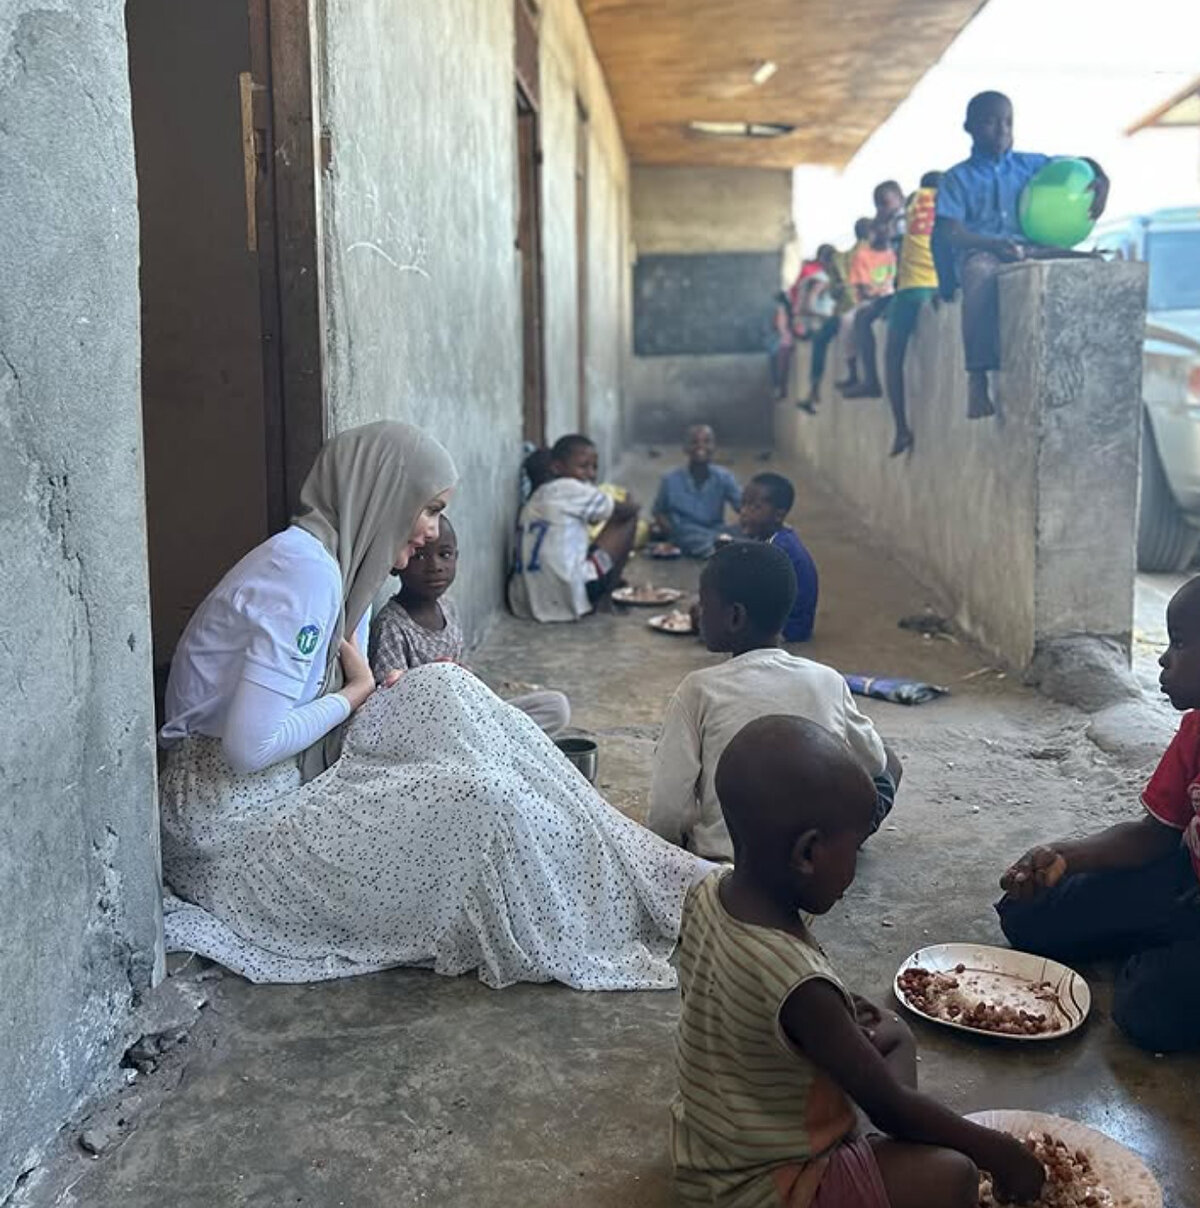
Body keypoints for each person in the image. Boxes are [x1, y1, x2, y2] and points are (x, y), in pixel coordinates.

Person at [160, 421, 708, 990]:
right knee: (481, 796)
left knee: (447, 688)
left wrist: (379, 693)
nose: (429, 532)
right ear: (383, 493)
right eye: (429, 509)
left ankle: (651, 871)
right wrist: (355, 695)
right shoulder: (302, 572)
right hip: (231, 835)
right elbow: (249, 749)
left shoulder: (341, 568)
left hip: (287, 783)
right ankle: (631, 893)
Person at [670, 715, 1045, 1208]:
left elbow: (732, 991)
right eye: (854, 844)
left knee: (892, 1033)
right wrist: (1000, 1153)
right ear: (808, 853)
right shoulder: (801, 986)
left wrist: (834, 1014)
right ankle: (869, 1167)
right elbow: (891, 1108)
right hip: (766, 1188)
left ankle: (872, 1159)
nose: (856, 861)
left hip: (713, 1146)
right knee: (954, 1174)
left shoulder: (706, 889)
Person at [997, 575, 1200, 1053]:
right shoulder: (1195, 730)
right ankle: (1160, 943)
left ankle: (1160, 950)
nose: (1163, 659)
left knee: (1147, 1007)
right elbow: (1154, 833)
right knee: (1027, 914)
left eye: (1179, 643)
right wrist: (1066, 856)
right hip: (1185, 881)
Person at [648, 542, 899, 864]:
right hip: (810, 865)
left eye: (704, 603)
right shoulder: (828, 680)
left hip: (726, 865)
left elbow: (666, 813)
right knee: (890, 763)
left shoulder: (697, 690)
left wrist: (677, 854)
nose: (697, 611)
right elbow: (875, 763)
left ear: (735, 616)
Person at [935, 90, 1109, 419]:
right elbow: (951, 231)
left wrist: (1102, 179)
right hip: (983, 251)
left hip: (1031, 246)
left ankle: (1089, 373)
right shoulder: (957, 178)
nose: (1001, 130)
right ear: (969, 127)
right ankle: (977, 376)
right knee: (978, 274)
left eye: (1008, 122)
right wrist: (991, 244)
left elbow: (1080, 165)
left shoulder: (1032, 165)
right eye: (990, 122)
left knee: (1091, 264)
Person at [370, 514, 570, 735]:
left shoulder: (448, 606)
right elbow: (390, 706)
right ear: (397, 563)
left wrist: (466, 677)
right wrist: (433, 679)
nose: (435, 566)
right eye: (419, 556)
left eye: (445, 555)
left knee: (555, 706)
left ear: (456, 557)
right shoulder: (392, 627)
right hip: (434, 730)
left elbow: (463, 675)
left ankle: (494, 738)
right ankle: (496, 740)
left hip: (468, 714)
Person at [508, 433, 639, 622]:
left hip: (525, 600)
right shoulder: (571, 488)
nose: (591, 474)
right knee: (627, 518)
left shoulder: (536, 497)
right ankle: (605, 599)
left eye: (594, 467)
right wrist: (631, 502)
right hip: (570, 593)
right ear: (557, 467)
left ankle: (604, 581)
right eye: (583, 466)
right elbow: (626, 510)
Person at [885, 171, 943, 457]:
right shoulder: (950, 203)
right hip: (935, 288)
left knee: (892, 358)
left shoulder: (911, 205)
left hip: (910, 290)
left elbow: (896, 249)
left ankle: (901, 428)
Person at [737, 471, 818, 643]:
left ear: (778, 515)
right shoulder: (777, 537)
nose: (744, 512)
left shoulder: (779, 549)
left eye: (754, 507)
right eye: (743, 504)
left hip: (789, 629)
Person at [801, 220, 871, 413]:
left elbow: (848, 292)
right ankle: (814, 389)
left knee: (825, 336)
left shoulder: (840, 263)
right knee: (821, 338)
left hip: (853, 307)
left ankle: (821, 386)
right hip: (845, 309)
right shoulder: (832, 271)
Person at [839, 197, 900, 399]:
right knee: (854, 319)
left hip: (893, 294)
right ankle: (859, 375)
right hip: (873, 298)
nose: (881, 233)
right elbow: (863, 289)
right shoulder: (863, 255)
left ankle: (869, 380)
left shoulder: (895, 248)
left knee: (860, 318)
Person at [651, 425, 742, 558]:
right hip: (686, 532)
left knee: (738, 534)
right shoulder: (670, 479)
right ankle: (721, 550)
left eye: (707, 441)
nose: (701, 446)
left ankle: (720, 548)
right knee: (689, 536)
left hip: (716, 530)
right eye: (694, 442)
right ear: (685, 448)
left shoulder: (724, 477)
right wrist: (672, 533)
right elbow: (658, 512)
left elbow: (742, 506)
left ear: (714, 446)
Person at [767, 291, 796, 401]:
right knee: (782, 367)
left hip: (783, 340)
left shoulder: (781, 309)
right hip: (785, 339)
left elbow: (780, 326)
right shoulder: (786, 309)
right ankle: (781, 390)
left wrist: (784, 337)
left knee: (778, 367)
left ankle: (779, 389)